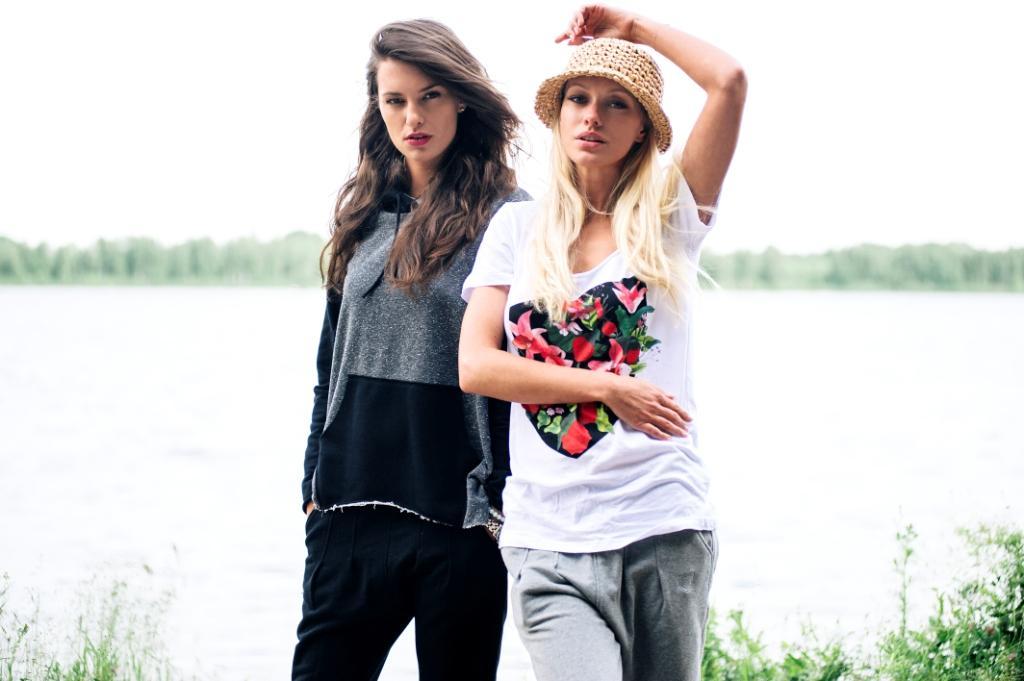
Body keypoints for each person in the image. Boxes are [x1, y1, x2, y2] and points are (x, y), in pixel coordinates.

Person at [459, 5, 746, 681]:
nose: (593, 116)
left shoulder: (670, 219)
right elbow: (476, 365)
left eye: (618, 104)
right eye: (579, 99)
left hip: (662, 528)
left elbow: (728, 82)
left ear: (643, 127)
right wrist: (607, 387)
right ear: (558, 115)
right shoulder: (516, 230)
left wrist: (634, 30)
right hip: (548, 542)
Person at [293, 19, 528, 681]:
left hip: (460, 524)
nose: (412, 117)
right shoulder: (362, 213)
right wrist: (313, 485)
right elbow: (329, 365)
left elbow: (524, 367)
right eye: (395, 100)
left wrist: (498, 504)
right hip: (349, 512)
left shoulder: (511, 218)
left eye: (430, 96)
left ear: (462, 100)